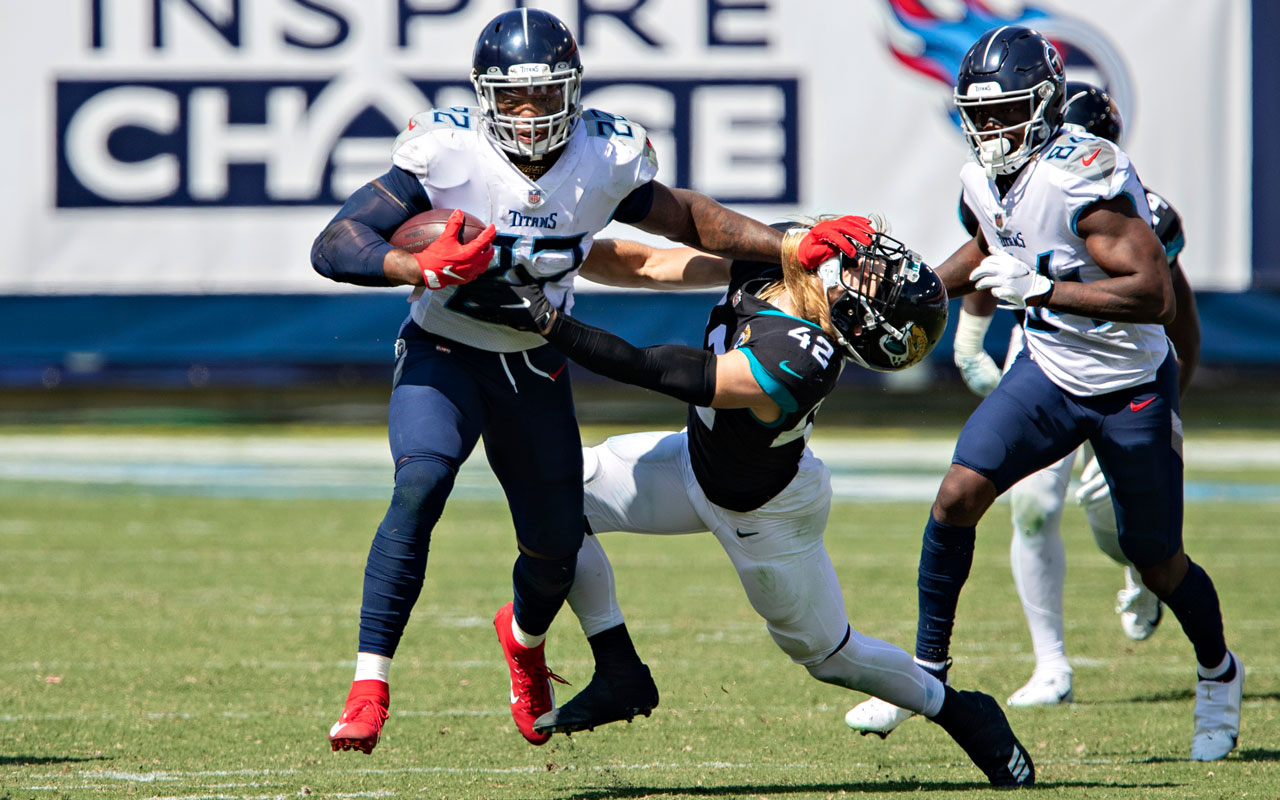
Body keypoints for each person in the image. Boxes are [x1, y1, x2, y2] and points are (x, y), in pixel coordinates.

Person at [310, 8, 856, 754]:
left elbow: (688, 220)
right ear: (483, 98)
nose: (530, 114)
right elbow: (337, 243)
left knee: (555, 545)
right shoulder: (446, 151)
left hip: (534, 364)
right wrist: (413, 265)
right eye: (513, 98)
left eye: (544, 95)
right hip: (444, 351)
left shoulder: (605, 153)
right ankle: (368, 687)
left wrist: (787, 242)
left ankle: (527, 648)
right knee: (421, 483)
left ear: (574, 91)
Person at [468, 219, 1037, 788]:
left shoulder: (806, 356)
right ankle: (619, 669)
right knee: (559, 496)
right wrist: (545, 257)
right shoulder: (788, 257)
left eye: (874, 280)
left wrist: (546, 319)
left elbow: (663, 370)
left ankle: (961, 712)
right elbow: (646, 264)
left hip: (765, 514)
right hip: (695, 462)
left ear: (854, 318)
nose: (871, 265)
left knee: (830, 657)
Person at [843, 27, 1242, 762]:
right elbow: (991, 241)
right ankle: (926, 669)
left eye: (1006, 112)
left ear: (1048, 105)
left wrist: (1045, 290)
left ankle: (1219, 671)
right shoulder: (982, 176)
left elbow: (1154, 294)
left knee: (1154, 559)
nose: (990, 128)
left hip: (1126, 384)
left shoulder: (1080, 173)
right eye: (979, 114)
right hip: (1051, 372)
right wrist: (919, 289)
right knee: (958, 494)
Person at [946, 81, 1202, 706]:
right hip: (1043, 348)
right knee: (1029, 504)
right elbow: (991, 247)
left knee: (1122, 527)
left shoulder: (1125, 205)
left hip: (1123, 369)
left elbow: (1174, 309)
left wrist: (1173, 402)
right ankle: (1050, 663)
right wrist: (970, 340)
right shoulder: (995, 177)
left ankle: (1147, 575)